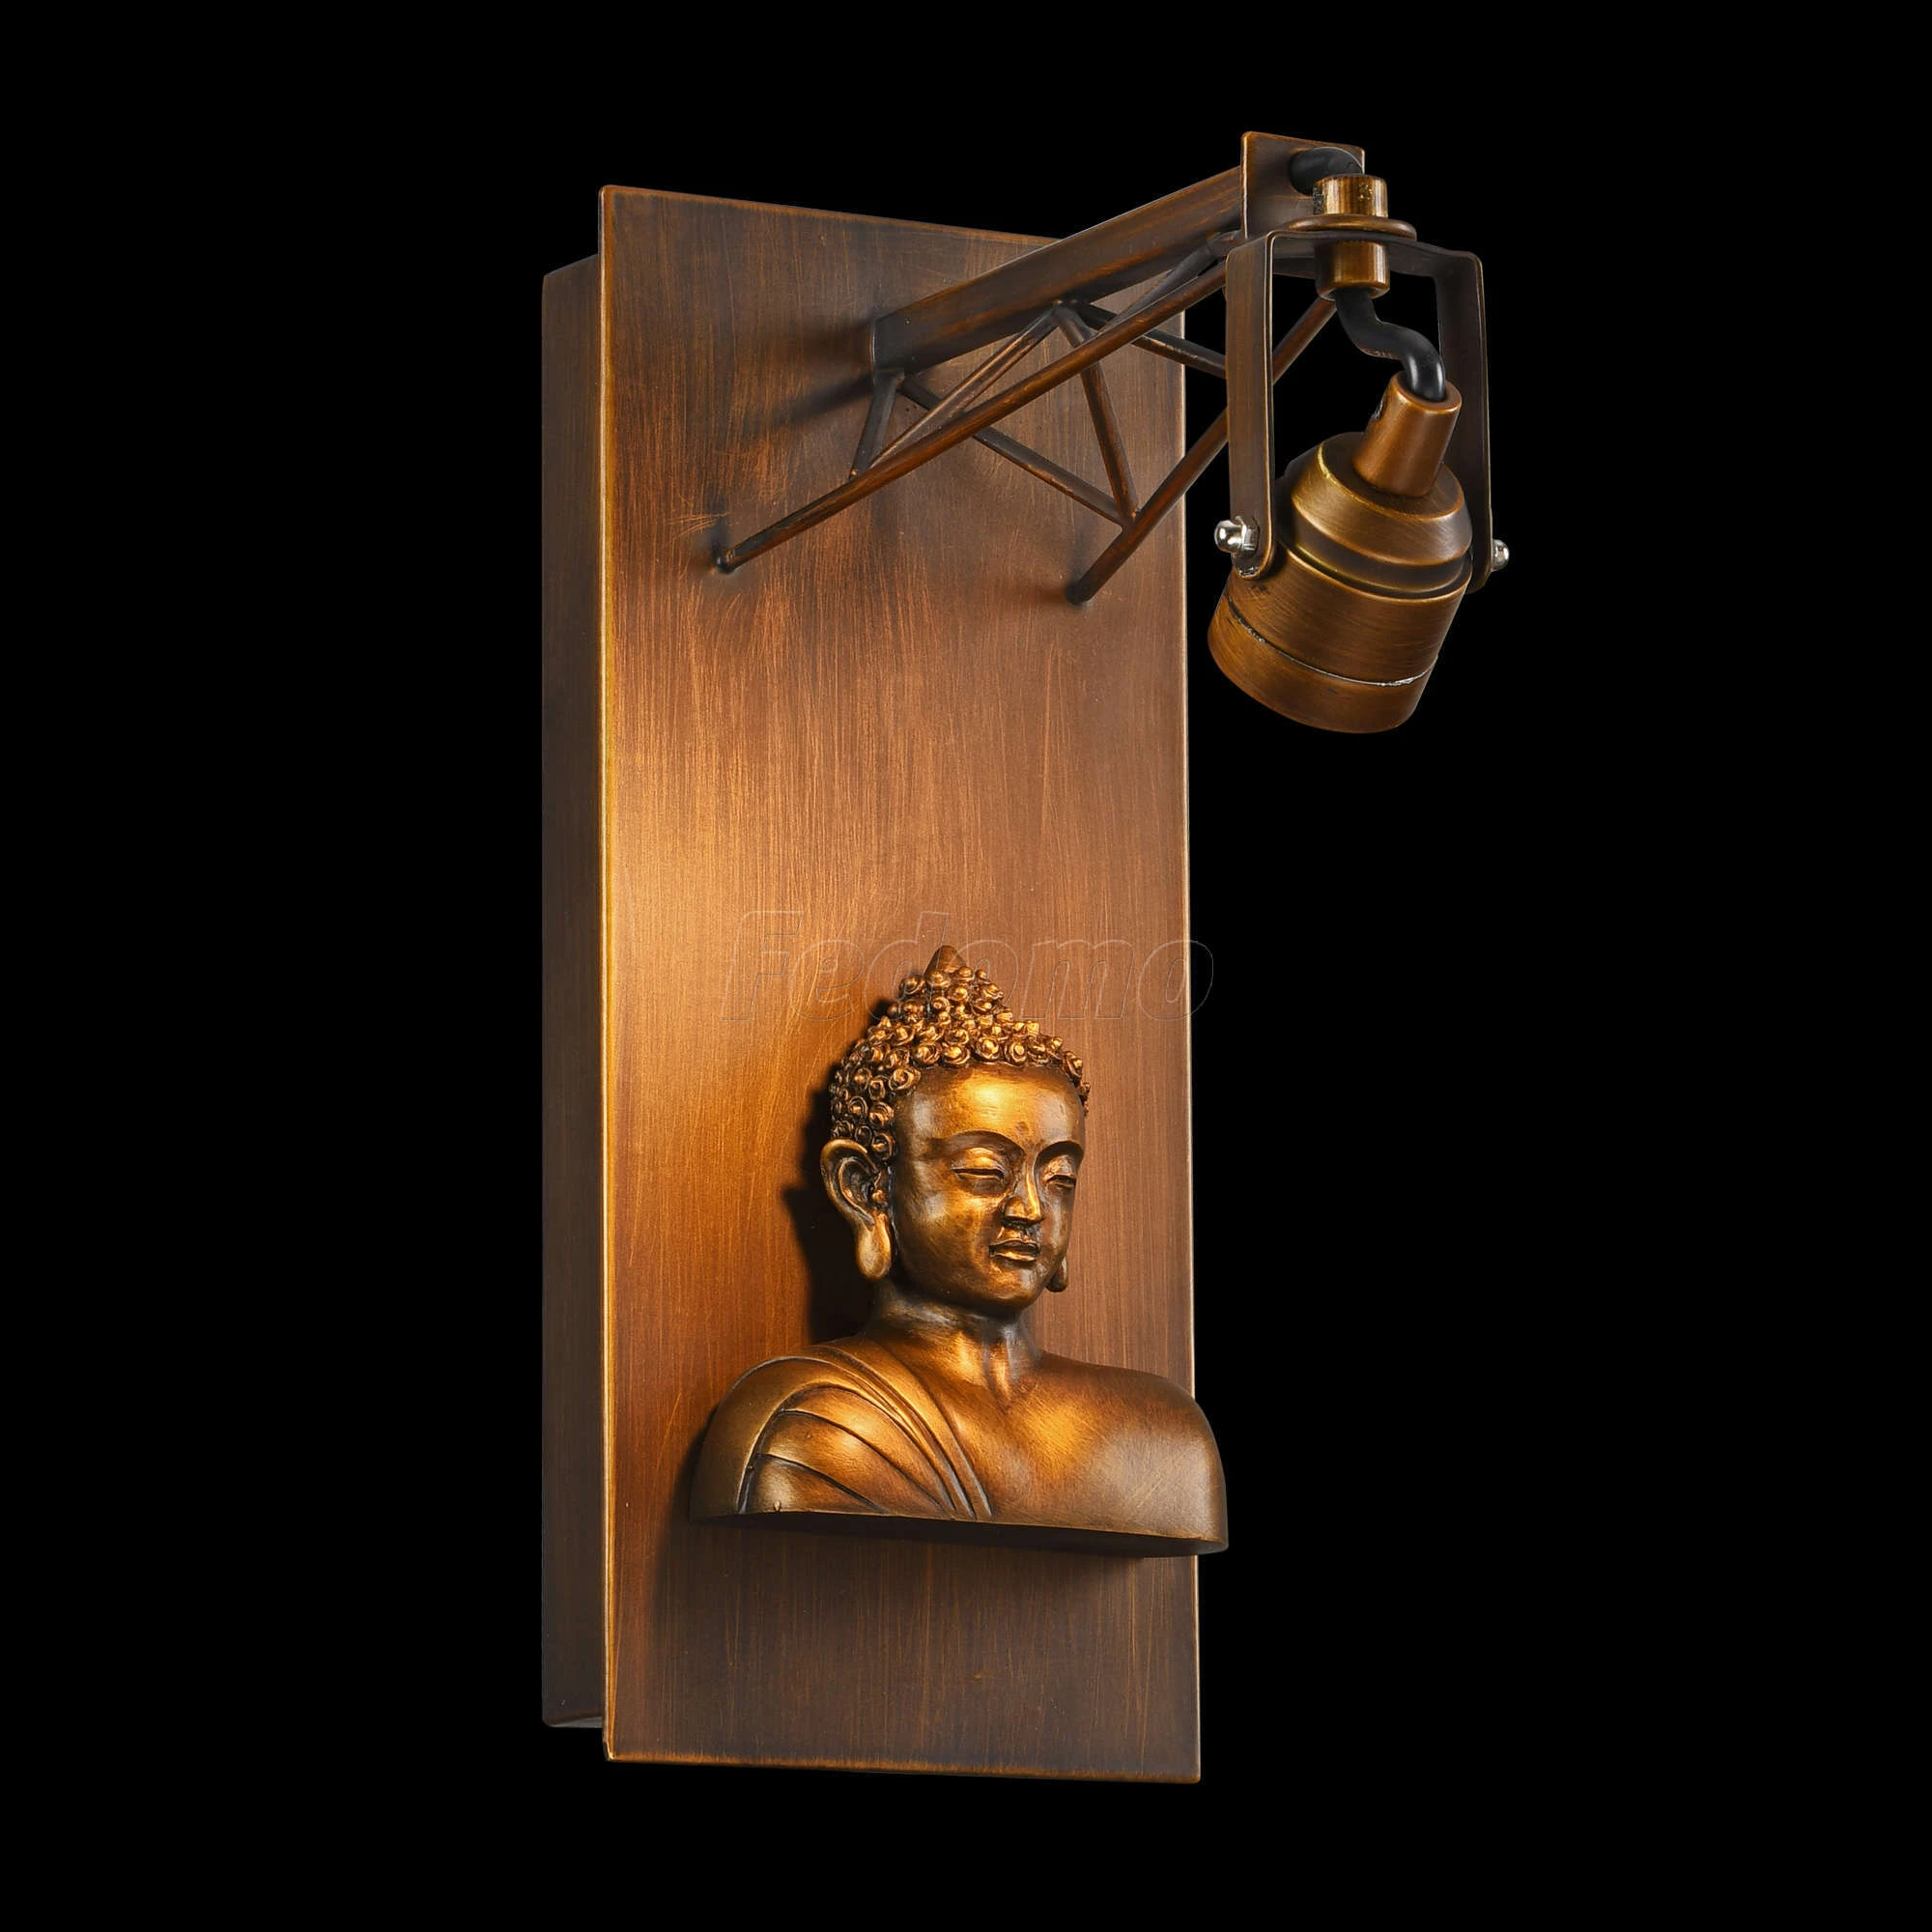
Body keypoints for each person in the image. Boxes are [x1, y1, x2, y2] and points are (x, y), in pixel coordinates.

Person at [692, 946, 1226, 1552]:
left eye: (1059, 1178)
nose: (1029, 1208)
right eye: (984, 1172)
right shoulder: (817, 1419)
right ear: (865, 1189)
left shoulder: (1159, 1433)